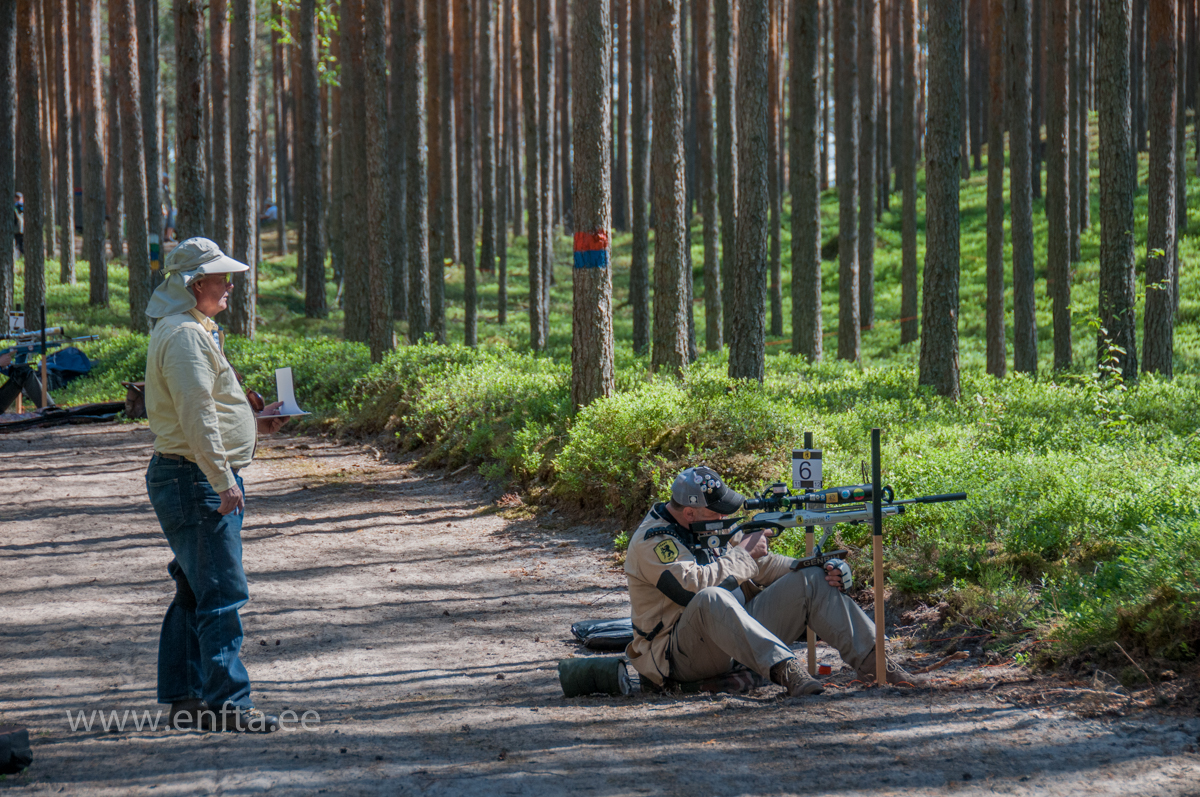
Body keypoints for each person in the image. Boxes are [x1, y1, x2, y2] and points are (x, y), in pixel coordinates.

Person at [143, 237, 289, 733]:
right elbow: (197, 416)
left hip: (190, 474)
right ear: (194, 284)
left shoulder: (190, 328)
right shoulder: (184, 335)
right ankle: (230, 706)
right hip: (195, 477)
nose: (230, 286)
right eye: (221, 278)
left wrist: (255, 423)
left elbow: (209, 408)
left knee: (194, 588)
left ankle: (186, 699)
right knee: (222, 592)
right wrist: (223, 481)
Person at [624, 465, 922, 696]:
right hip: (678, 656)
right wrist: (743, 553)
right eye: (717, 511)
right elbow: (691, 589)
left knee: (810, 579)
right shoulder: (652, 541)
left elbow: (760, 566)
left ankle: (877, 664)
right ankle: (788, 671)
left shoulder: (704, 525)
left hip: (734, 638)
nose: (724, 517)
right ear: (689, 513)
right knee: (711, 597)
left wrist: (814, 567)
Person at [13, 192, 23, 256]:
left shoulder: (15, 207)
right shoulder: (23, 206)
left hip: (16, 228)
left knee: (17, 243)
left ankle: (18, 255)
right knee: (21, 243)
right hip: (22, 228)